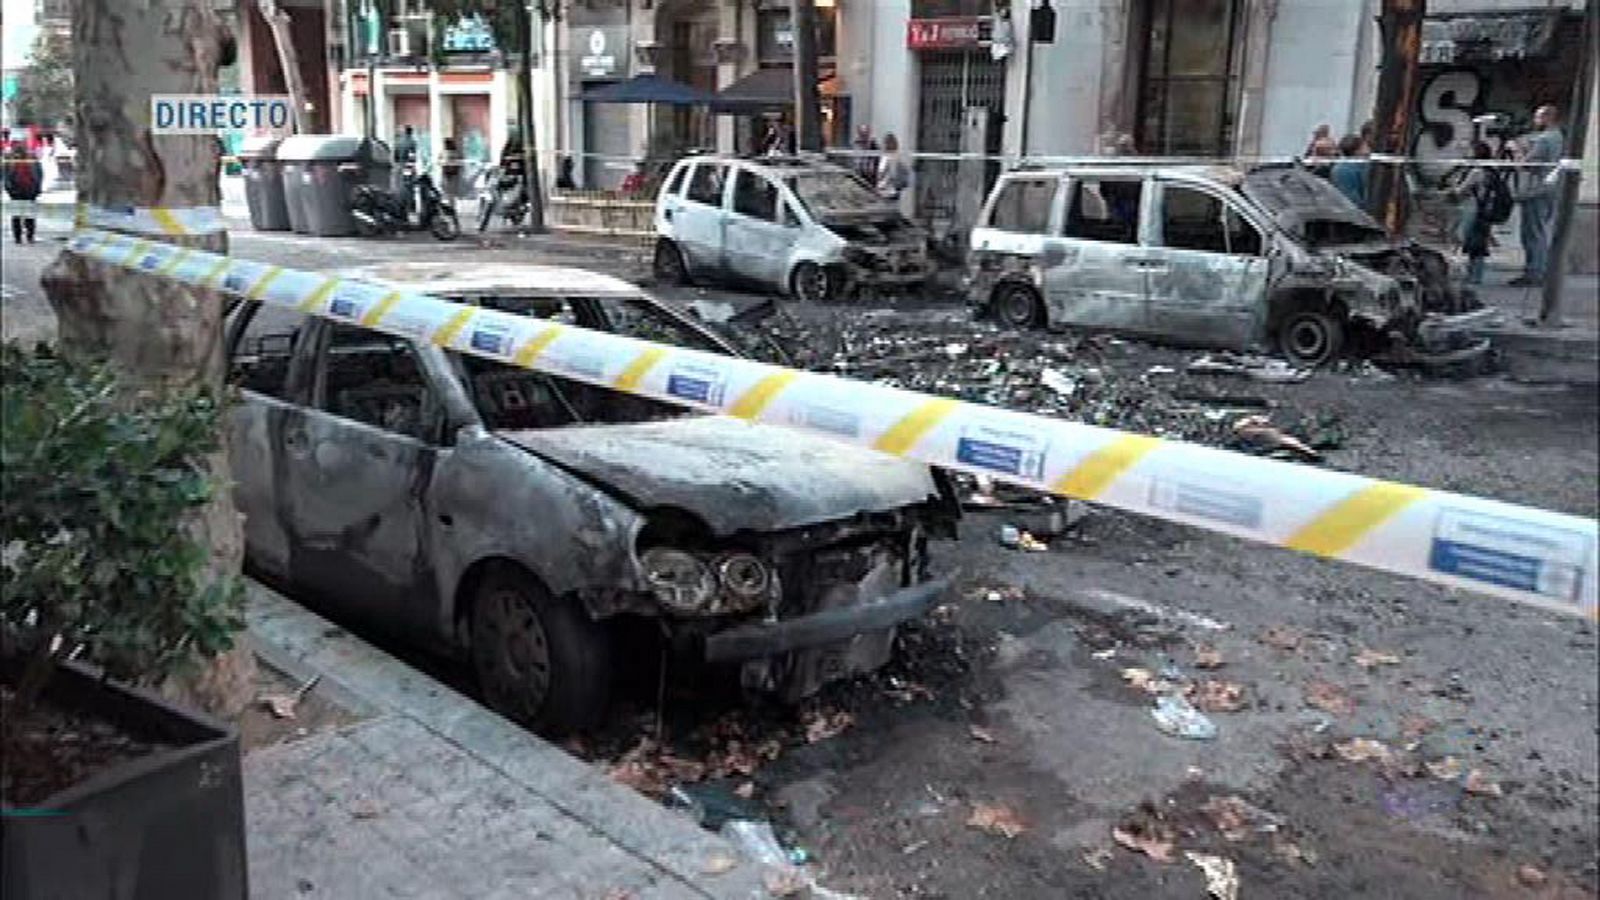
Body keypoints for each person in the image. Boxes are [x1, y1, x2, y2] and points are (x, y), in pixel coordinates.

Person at [1509, 104, 1563, 287]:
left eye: (1538, 117)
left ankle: (1534, 273)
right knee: (1540, 231)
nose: (1535, 121)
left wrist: (1516, 150)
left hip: (1536, 190)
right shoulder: (1559, 137)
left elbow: (1527, 164)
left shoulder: (1544, 139)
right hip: (1551, 188)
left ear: (1548, 118)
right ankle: (1539, 271)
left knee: (1532, 233)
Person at [1447, 141, 1497, 286]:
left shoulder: (1476, 171)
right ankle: (1476, 274)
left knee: (1463, 238)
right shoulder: (1491, 169)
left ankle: (1469, 274)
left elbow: (1460, 190)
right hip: (1484, 209)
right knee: (1479, 241)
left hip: (1471, 207)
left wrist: (1453, 186)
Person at [3, 142, 43, 244]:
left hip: (30, 190)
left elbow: (39, 173)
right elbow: (5, 176)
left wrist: (37, 188)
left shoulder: (33, 158)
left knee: (30, 216)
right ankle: (17, 237)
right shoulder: (9, 160)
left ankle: (30, 236)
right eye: (17, 148)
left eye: (22, 147)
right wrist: (9, 189)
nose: (20, 150)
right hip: (16, 191)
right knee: (17, 215)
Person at [1329, 133, 1369, 208]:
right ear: (1357, 150)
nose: (1368, 148)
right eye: (1364, 146)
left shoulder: (1361, 165)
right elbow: (1351, 196)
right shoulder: (1345, 169)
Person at [875, 133, 910, 201]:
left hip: (891, 190)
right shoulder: (884, 156)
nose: (887, 145)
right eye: (886, 143)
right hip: (884, 190)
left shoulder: (897, 157)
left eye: (888, 143)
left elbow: (891, 174)